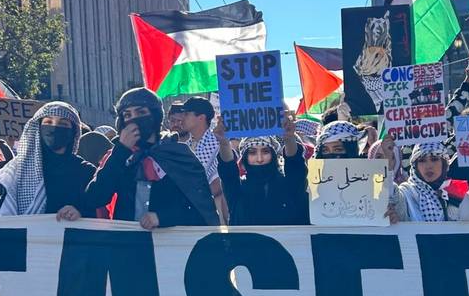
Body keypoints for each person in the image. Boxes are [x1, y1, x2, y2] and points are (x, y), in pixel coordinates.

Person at [82, 87, 219, 229]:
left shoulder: (178, 155)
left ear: (155, 116)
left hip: (168, 247)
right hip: (127, 246)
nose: (134, 119)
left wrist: (162, 217)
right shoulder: (119, 156)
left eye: (141, 112)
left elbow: (199, 210)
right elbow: (95, 198)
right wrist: (121, 151)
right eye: (127, 115)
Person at [0, 102, 93, 219]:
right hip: (23, 246)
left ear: (73, 132)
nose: (54, 128)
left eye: (63, 124)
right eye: (48, 122)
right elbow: (0, 215)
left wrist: (79, 212)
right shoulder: (19, 169)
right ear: (38, 129)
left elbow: (97, 217)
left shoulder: (85, 171)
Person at [215, 119, 309, 225]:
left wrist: (289, 138)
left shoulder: (288, 185)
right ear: (245, 158)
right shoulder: (237, 190)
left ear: (273, 156)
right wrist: (223, 143)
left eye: (265, 151)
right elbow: (228, 170)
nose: (259, 159)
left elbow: (295, 166)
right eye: (252, 153)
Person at [175, 97, 227, 223]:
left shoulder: (217, 143)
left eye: (186, 114)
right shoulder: (185, 146)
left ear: (201, 117)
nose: (182, 119)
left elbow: (219, 183)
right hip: (189, 211)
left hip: (213, 211)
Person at [391, 142, 460, 222]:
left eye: (434, 159)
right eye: (422, 160)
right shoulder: (407, 192)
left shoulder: (455, 190)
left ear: (444, 164)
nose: (428, 166)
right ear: (415, 166)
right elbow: (391, 197)